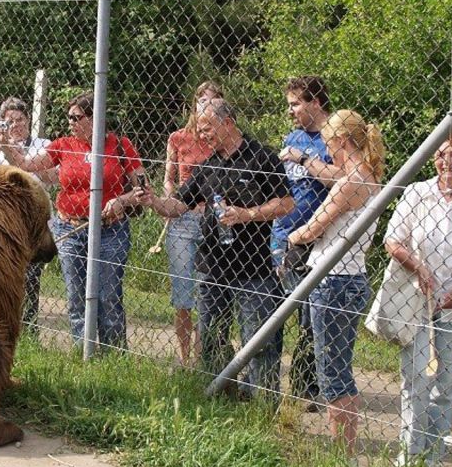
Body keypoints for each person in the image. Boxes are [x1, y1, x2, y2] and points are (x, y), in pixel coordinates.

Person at [138, 98, 294, 398]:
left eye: (207, 128)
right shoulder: (207, 166)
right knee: (211, 337)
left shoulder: (262, 158)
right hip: (212, 268)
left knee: (258, 340)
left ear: (228, 122)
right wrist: (153, 201)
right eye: (199, 129)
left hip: (254, 268)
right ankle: (221, 396)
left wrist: (248, 214)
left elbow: (286, 203)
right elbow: (178, 205)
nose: (203, 135)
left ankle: (262, 402)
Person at [0, 91, 147, 351]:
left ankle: (114, 353)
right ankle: (83, 350)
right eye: (69, 117)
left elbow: (143, 190)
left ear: (94, 118)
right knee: (77, 298)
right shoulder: (64, 145)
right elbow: (25, 163)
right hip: (71, 229)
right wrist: (6, 146)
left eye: (76, 117)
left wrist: (123, 200)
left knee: (109, 297)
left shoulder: (120, 145)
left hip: (111, 231)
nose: (70, 122)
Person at [384, 128, 452, 467]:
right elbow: (393, 240)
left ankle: (432, 457)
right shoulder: (417, 194)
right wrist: (418, 269)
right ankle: (408, 453)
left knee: (447, 383)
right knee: (415, 378)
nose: (446, 161)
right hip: (416, 300)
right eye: (441, 154)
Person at [288, 110, 384, 457]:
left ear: (342, 140)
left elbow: (315, 226)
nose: (328, 152)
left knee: (332, 371)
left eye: (329, 144)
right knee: (337, 365)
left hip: (334, 281)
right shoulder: (370, 176)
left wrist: (291, 237)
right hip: (349, 277)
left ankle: (344, 454)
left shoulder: (351, 182)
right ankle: (346, 449)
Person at [274, 76, 343, 408]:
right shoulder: (293, 137)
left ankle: (308, 387)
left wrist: (303, 158)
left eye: (295, 104)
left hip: (321, 242)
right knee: (279, 312)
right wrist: (277, 242)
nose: (290, 111)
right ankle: (272, 381)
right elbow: (281, 191)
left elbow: (342, 180)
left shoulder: (334, 138)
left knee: (311, 319)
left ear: (315, 103)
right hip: (286, 238)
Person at [0, 96, 55, 332]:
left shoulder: (42, 145)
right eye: (9, 121)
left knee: (30, 276)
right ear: (2, 124)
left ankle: (30, 324)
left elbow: (51, 177)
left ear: (28, 120)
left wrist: (14, 154)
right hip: (0, 220)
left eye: (20, 119)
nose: (16, 125)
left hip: (30, 220)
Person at [162, 81, 221, 368]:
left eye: (213, 101)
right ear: (194, 105)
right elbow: (169, 177)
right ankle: (184, 357)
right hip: (183, 218)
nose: (206, 106)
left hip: (212, 219)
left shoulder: (219, 140)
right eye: (202, 101)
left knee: (207, 290)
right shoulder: (178, 138)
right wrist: (168, 201)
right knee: (183, 293)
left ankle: (203, 356)